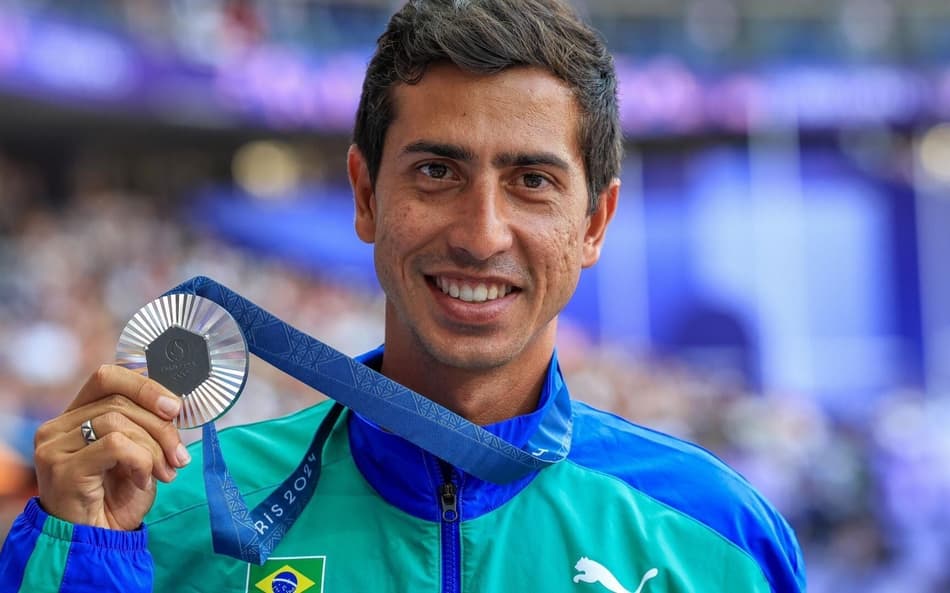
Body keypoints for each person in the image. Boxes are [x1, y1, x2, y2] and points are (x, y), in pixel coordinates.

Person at [0, 0, 806, 591]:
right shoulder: (168, 515)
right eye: (436, 171)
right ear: (364, 195)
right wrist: (83, 555)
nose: (482, 233)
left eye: (531, 181)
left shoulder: (719, 537)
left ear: (595, 222)